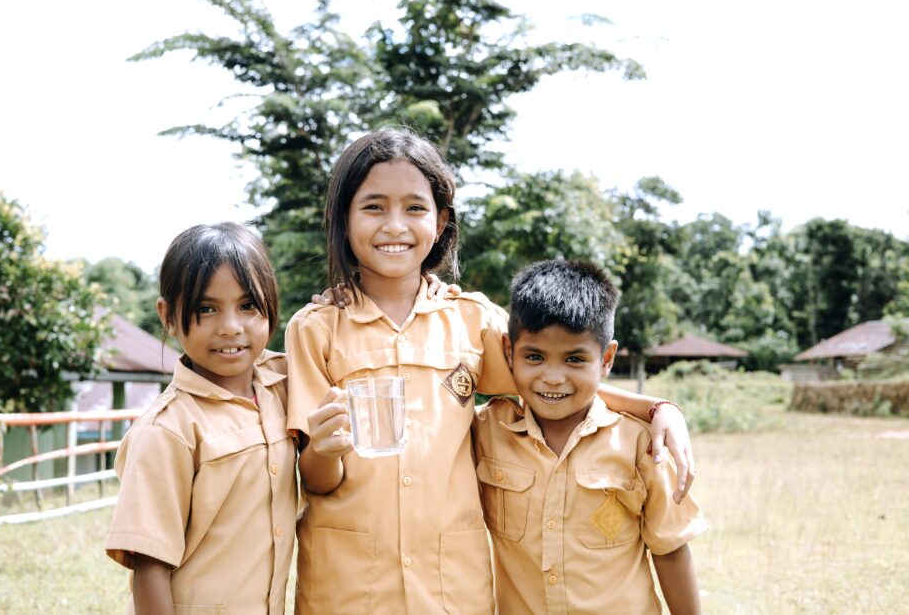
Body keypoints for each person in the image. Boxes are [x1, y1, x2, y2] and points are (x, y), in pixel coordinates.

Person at [286, 127, 696, 614]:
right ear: (343, 219)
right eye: (373, 206)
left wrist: (656, 407)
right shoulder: (316, 328)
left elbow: (552, 379)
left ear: (440, 223)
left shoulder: (473, 319)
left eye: (415, 208)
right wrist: (327, 451)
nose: (394, 225)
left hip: (451, 587)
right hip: (349, 584)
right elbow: (315, 478)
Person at [474, 259, 707, 614]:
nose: (553, 377)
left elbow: (670, 549)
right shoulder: (489, 431)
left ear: (606, 359)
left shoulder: (639, 444)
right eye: (534, 356)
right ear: (509, 352)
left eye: (574, 359)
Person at [105, 223, 296, 615]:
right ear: (168, 316)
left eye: (248, 306)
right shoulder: (168, 430)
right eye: (206, 309)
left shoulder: (281, 388)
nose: (230, 326)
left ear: (271, 307)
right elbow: (151, 568)